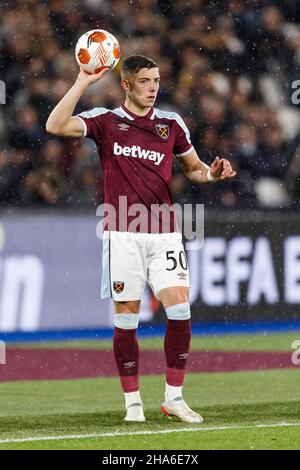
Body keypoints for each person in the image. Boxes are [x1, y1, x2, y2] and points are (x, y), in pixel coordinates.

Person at [46, 55, 236, 423]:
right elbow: (55, 125)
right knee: (127, 318)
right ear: (127, 85)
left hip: (165, 232)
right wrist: (84, 80)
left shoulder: (171, 123)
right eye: (146, 81)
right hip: (123, 233)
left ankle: (174, 398)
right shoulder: (106, 121)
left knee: (180, 310)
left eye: (157, 80)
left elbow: (194, 169)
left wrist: (212, 174)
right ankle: (133, 403)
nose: (153, 87)